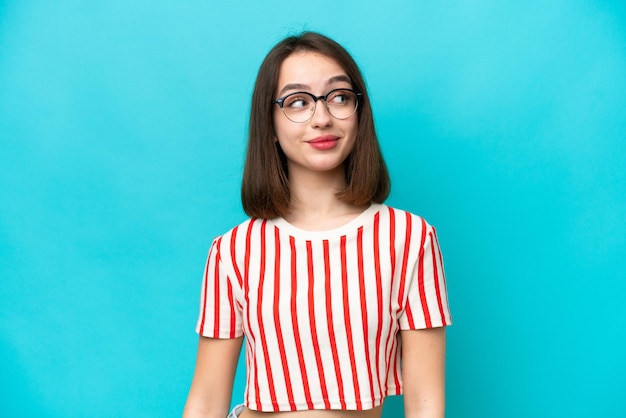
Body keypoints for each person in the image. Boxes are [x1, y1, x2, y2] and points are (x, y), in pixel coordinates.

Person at [183, 32, 452, 418]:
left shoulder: (409, 239)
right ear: (270, 123)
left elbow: (426, 404)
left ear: (360, 111)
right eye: (298, 102)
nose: (322, 117)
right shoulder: (233, 251)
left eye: (339, 97)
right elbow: (206, 400)